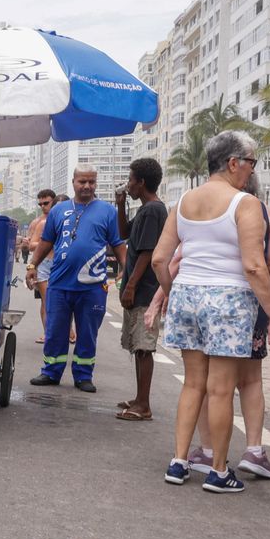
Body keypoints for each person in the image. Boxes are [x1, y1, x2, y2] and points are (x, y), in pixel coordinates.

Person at [151, 131, 270, 494]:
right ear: (233, 162)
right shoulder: (245, 203)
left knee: (193, 383)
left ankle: (178, 462)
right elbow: (255, 266)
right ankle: (219, 471)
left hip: (187, 295)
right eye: (251, 162)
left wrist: (170, 292)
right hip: (228, 299)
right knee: (221, 389)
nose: (251, 170)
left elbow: (160, 259)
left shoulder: (184, 201)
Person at [27, 165, 124, 392]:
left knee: (87, 333)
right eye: (82, 182)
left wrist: (124, 270)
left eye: (91, 182)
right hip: (59, 284)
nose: (87, 186)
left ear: (96, 183)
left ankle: (83, 376)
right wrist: (32, 265)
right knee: (55, 331)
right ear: (73, 182)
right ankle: (51, 372)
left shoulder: (107, 211)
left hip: (93, 287)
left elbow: (118, 244)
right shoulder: (59, 210)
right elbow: (46, 242)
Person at [114, 158, 167, 421]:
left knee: (144, 348)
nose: (129, 184)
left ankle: (144, 405)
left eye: (131, 179)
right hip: (138, 287)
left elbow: (147, 252)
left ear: (141, 182)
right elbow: (124, 232)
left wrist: (131, 286)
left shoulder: (153, 211)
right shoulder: (145, 210)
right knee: (137, 346)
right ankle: (139, 398)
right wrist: (121, 204)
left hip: (145, 290)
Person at [26, 189, 57, 343]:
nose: (43, 206)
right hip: (43, 265)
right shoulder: (38, 222)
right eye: (41, 204)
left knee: (63, 300)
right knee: (47, 301)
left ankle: (67, 330)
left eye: (46, 203)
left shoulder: (64, 219)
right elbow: (30, 245)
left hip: (61, 264)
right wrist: (48, 243)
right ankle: (48, 333)